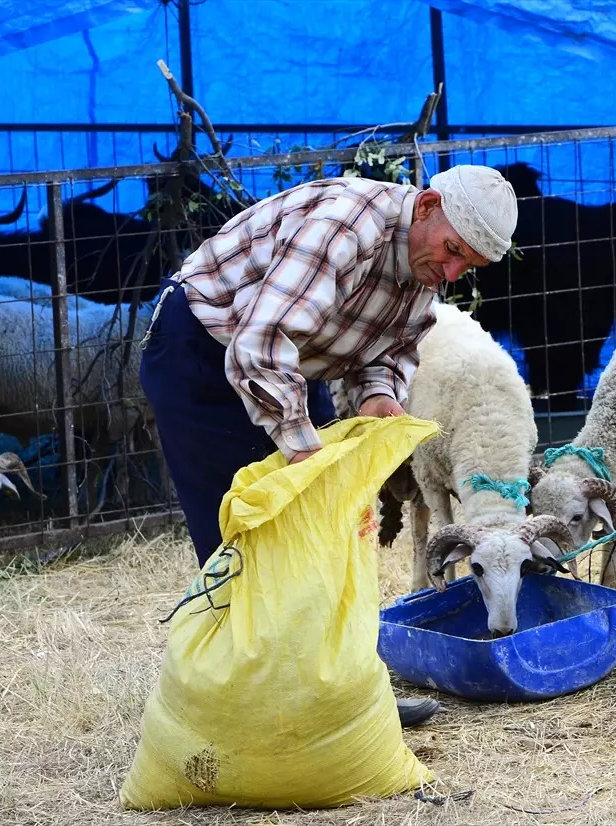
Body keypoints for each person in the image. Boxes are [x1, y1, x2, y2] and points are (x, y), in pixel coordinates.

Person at [138, 165, 519, 729]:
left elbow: (391, 351)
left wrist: (379, 396)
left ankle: (342, 698)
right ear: (426, 206)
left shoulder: (423, 265)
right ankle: (251, 713)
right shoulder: (345, 225)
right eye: (452, 250)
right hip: (204, 351)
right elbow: (259, 344)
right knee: (244, 541)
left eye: (469, 266)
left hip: (292, 365)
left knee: (331, 532)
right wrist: (301, 448)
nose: (452, 271)